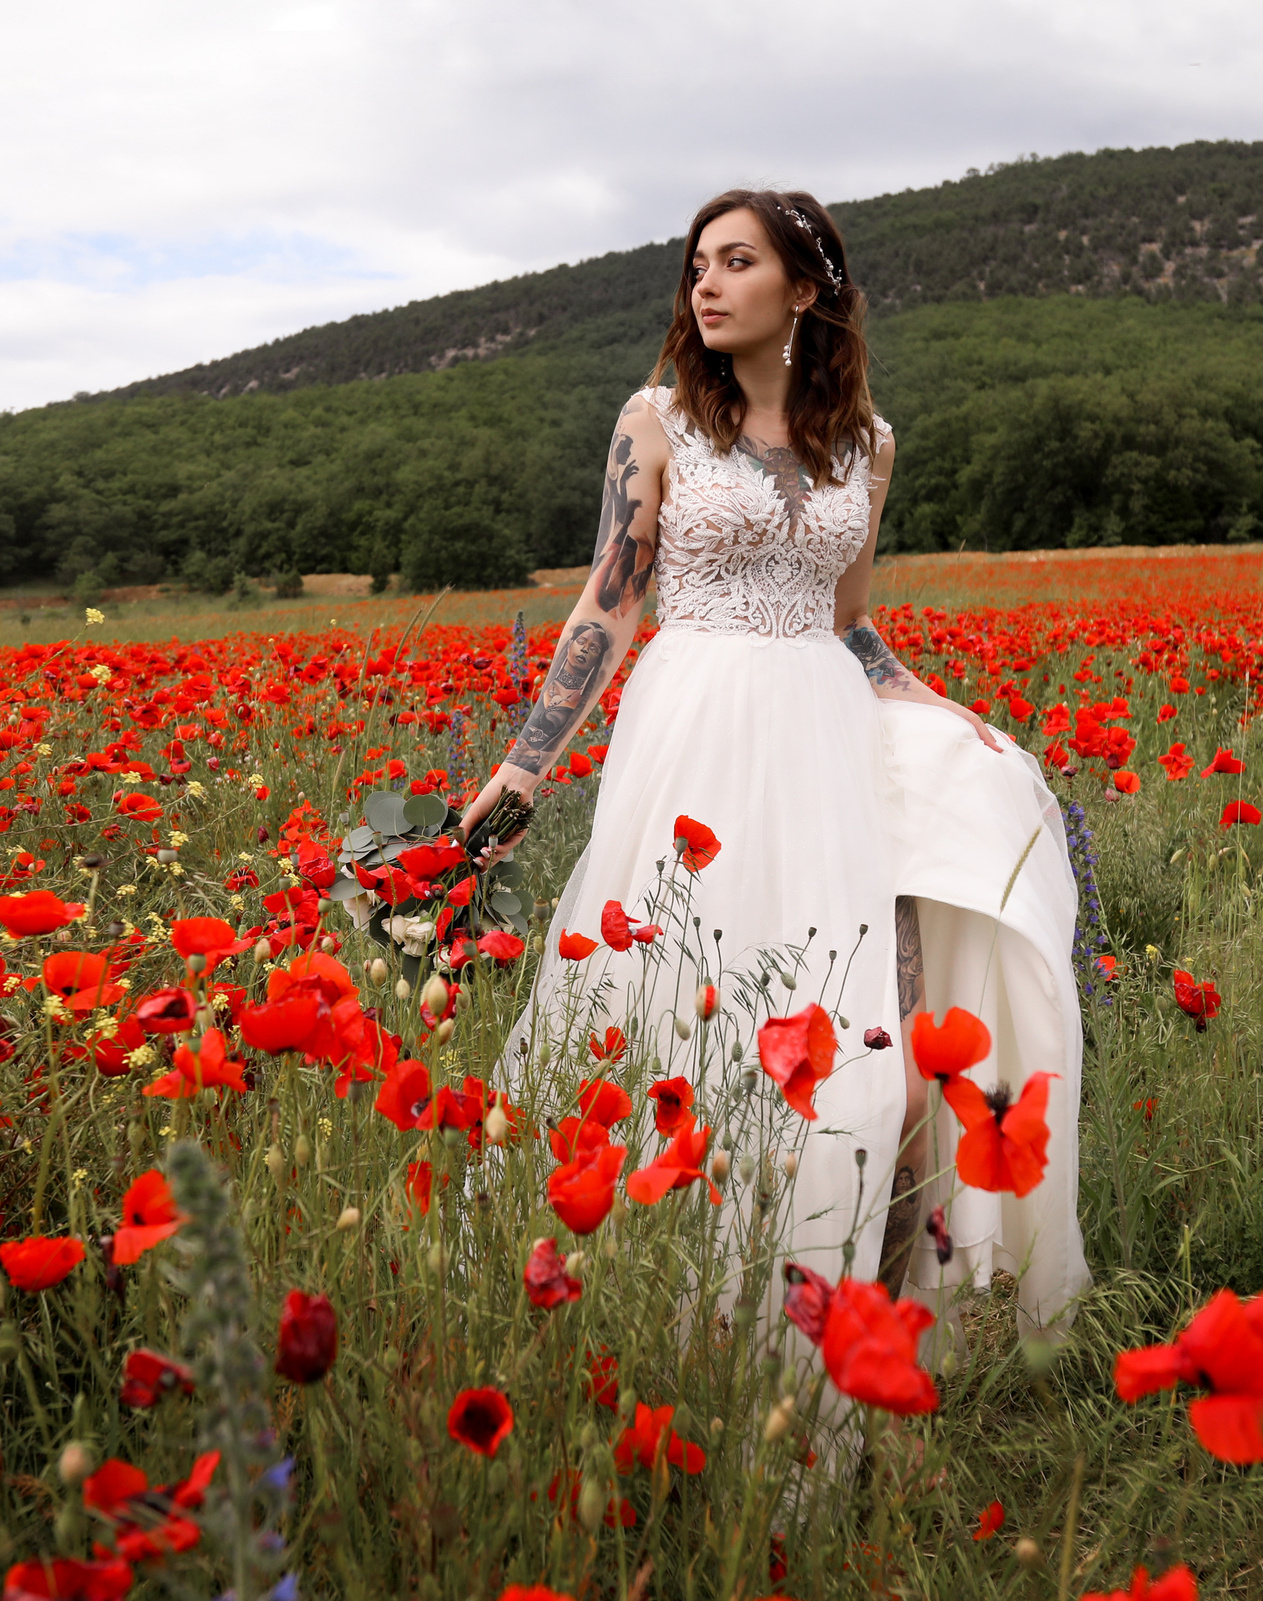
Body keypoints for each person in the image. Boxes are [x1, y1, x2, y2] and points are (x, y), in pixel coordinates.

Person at [457, 188, 1090, 1354]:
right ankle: (642, 1313)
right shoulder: (655, 421)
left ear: (803, 290)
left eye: (735, 261)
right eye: (697, 263)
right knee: (673, 1018)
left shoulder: (867, 444)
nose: (705, 282)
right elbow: (609, 600)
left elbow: (845, 620)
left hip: (824, 745)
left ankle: (847, 1320)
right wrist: (524, 765)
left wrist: (939, 707)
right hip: (695, 732)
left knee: (857, 1050)